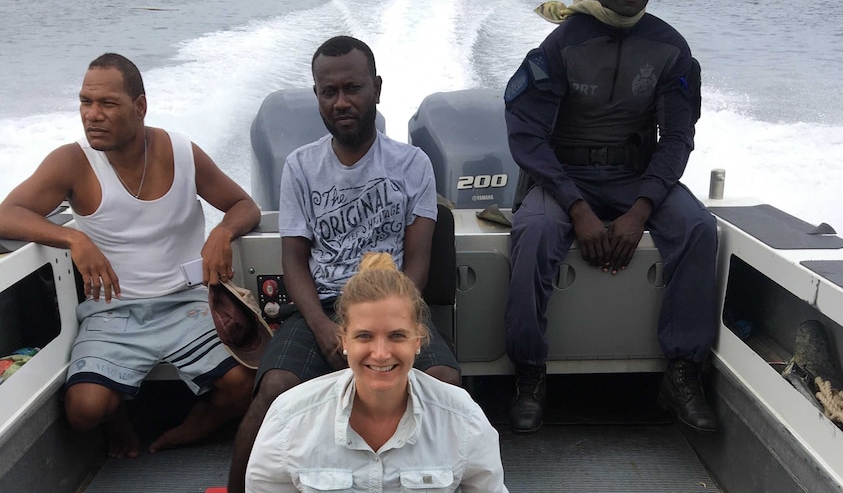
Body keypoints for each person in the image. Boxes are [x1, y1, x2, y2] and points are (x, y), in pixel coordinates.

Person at [503, 0, 719, 434]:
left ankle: (682, 373)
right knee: (532, 233)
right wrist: (577, 208)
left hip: (635, 175)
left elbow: (677, 138)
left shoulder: (670, 48)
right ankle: (530, 373)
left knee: (697, 229)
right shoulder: (560, 44)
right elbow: (527, 135)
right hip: (563, 177)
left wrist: (640, 209)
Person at [229, 35, 461, 492]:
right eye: (328, 92)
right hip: (324, 308)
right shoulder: (300, 166)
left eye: (352, 88)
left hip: (395, 305)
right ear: (317, 96)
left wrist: (395, 324)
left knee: (444, 383)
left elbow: (417, 261)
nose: (341, 102)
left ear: (376, 88)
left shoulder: (412, 164)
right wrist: (321, 326)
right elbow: (293, 260)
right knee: (273, 390)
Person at [0, 53, 261, 457]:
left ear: (140, 107)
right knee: (84, 411)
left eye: (107, 104)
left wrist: (223, 231)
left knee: (248, 384)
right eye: (85, 102)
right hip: (114, 311)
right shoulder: (73, 161)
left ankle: (199, 424)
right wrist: (74, 240)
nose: (92, 115)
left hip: (186, 303)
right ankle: (119, 420)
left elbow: (244, 205)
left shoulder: (180, 152)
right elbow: (6, 215)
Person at [246, 252, 507, 492]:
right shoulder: (289, 419)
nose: (381, 353)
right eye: (364, 336)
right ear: (344, 340)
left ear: (418, 340)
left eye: (397, 335)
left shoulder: (463, 419)